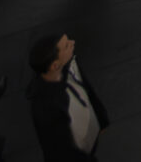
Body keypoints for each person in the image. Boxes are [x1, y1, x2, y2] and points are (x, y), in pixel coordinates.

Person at [26, 33, 109, 162]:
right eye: (66, 46)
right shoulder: (46, 109)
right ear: (55, 66)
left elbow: (86, 88)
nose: (73, 42)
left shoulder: (69, 65)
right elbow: (61, 151)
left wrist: (101, 119)